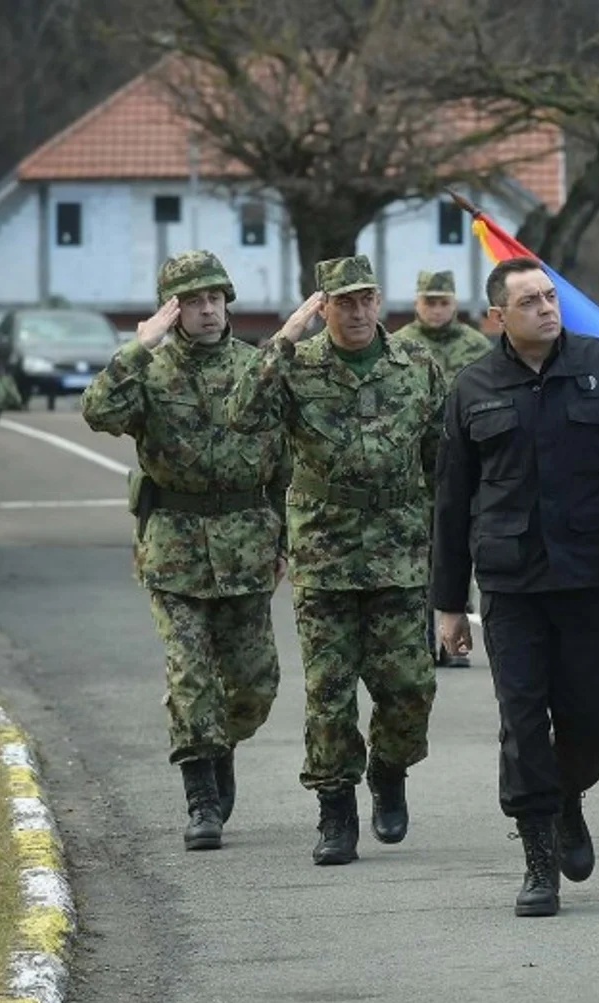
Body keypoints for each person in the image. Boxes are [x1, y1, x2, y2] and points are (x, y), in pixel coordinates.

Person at [432, 255, 599, 918]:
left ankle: (566, 796)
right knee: (522, 722)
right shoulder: (472, 386)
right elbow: (452, 502)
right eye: (530, 301)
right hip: (510, 586)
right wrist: (449, 606)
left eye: (549, 296)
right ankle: (539, 858)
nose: (546, 308)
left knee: (598, 717)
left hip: (589, 574)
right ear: (497, 318)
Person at [227, 255, 442, 867]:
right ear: (322, 308)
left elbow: (439, 453)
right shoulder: (296, 366)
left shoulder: (416, 364)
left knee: (409, 688)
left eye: (366, 299)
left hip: (400, 549)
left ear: (380, 302)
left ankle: (389, 771)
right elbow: (240, 417)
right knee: (328, 690)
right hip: (324, 551)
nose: (356, 311)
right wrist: (284, 338)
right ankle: (335, 810)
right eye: (343, 301)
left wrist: (448, 539)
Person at [79, 250, 291, 851]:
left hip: (248, 545)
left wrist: (283, 541)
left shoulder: (258, 369)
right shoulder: (148, 371)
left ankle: (218, 743)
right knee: (190, 673)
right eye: (192, 301)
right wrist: (136, 348)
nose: (206, 310)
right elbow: (97, 413)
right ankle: (200, 795)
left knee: (254, 686)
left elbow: (283, 465)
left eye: (214, 299)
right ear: (170, 310)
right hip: (173, 547)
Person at [393, 268, 493, 669]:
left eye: (443, 302)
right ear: (417, 303)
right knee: (416, 557)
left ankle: (455, 642)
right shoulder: (399, 345)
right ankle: (420, 641)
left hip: (463, 465)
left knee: (458, 550)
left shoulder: (475, 345)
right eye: (429, 302)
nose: (436, 310)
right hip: (413, 469)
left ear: (454, 303)